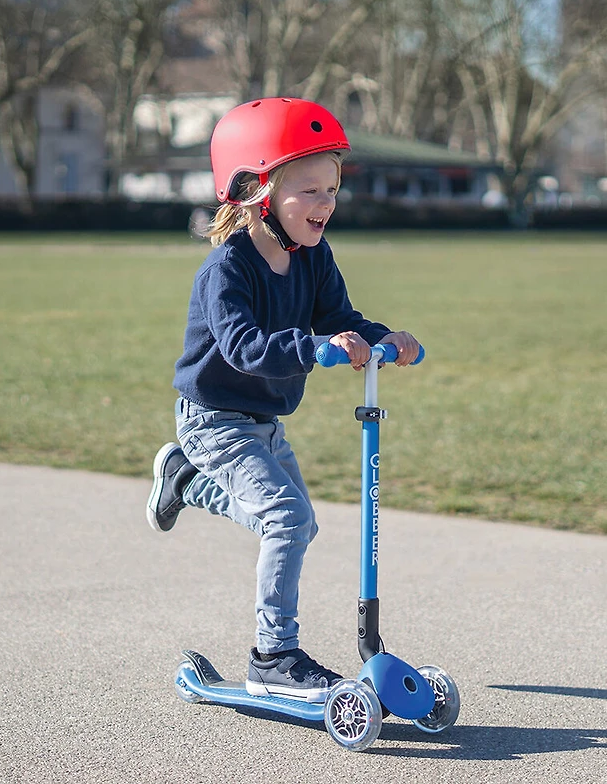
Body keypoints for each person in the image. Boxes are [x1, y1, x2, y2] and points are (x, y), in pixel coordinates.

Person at [147, 97, 420, 703]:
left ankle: (185, 482)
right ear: (256, 193)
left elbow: (340, 317)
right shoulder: (226, 269)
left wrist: (384, 339)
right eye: (310, 190)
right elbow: (243, 347)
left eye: (333, 189)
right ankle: (272, 656)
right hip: (214, 419)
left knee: (299, 523)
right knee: (288, 518)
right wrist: (315, 348)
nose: (327, 203)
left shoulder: (313, 258)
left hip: (265, 419)